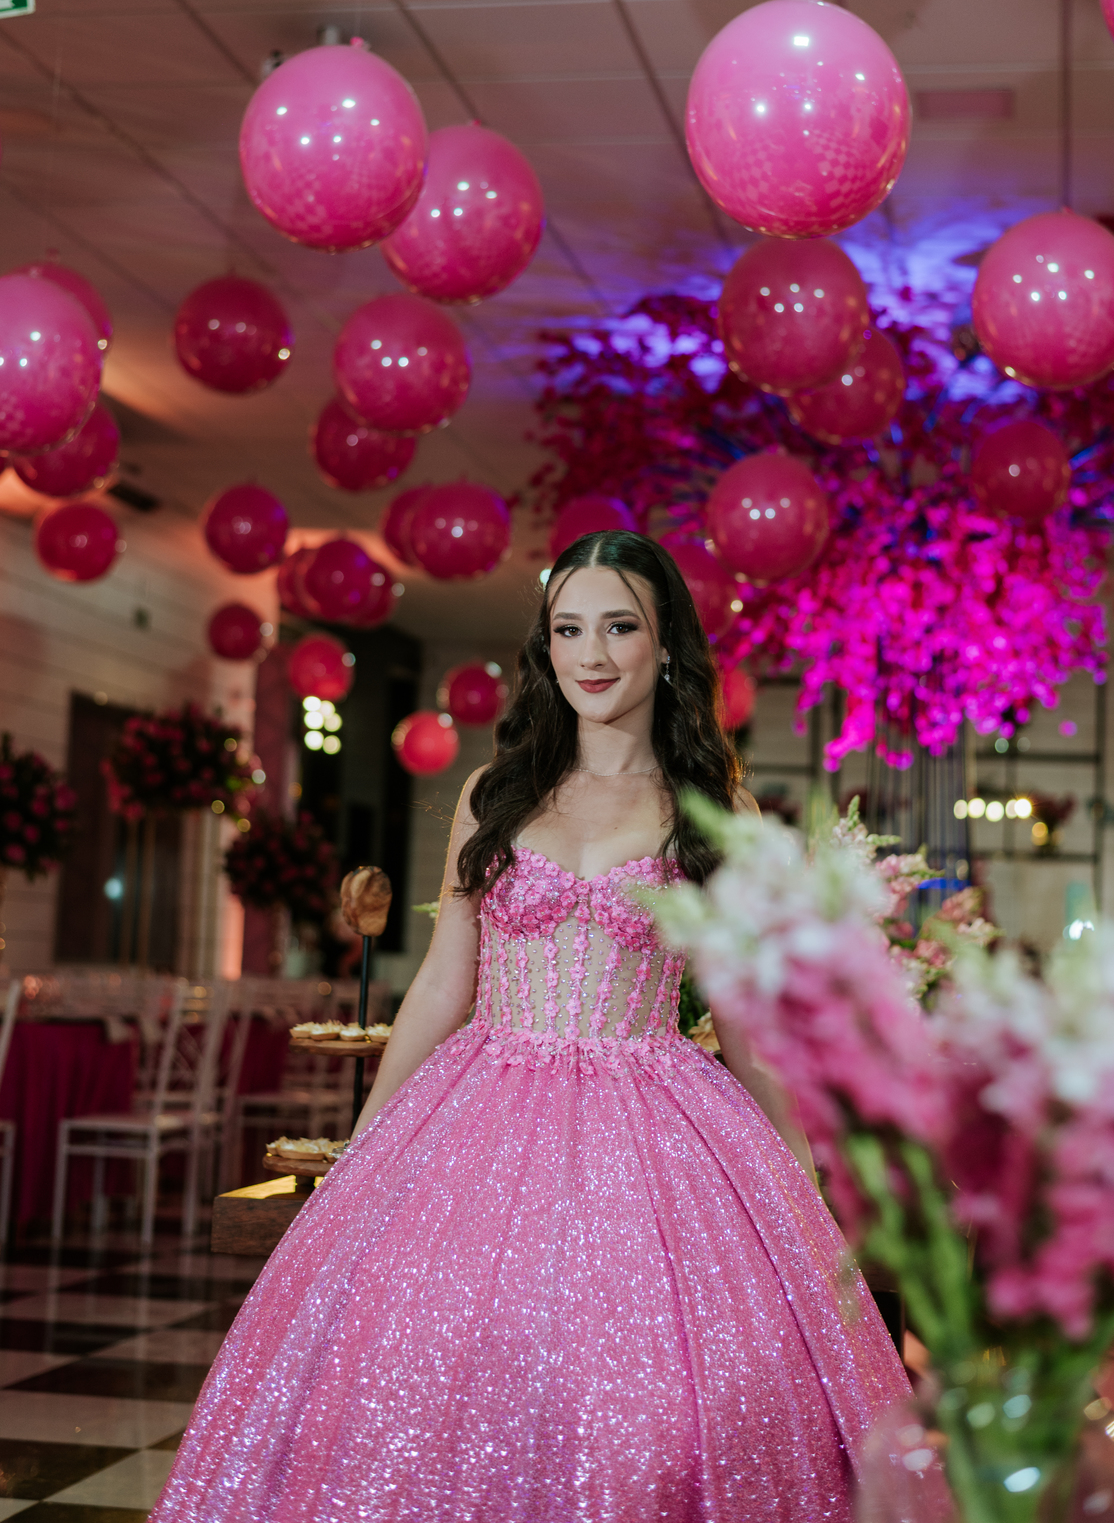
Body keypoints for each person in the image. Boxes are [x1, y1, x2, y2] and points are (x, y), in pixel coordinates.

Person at [150, 530, 910, 1523]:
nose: (591, 654)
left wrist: (797, 1185)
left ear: (666, 645)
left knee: (638, 1395)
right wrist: (363, 1149)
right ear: (545, 647)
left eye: (619, 627)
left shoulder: (711, 808)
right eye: (568, 629)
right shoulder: (495, 792)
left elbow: (740, 1015)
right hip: (481, 1114)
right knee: (433, 1377)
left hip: (653, 1132)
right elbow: (441, 983)